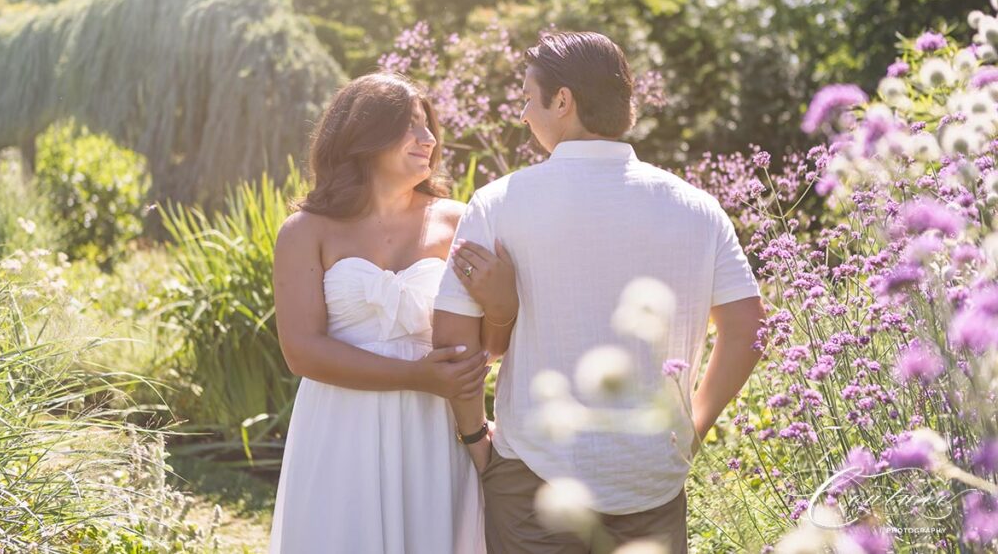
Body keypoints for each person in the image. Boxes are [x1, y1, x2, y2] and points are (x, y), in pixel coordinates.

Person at [433, 31, 767, 553]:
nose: (523, 113)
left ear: (562, 101)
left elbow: (452, 341)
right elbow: (749, 331)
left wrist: (476, 438)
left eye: (527, 96)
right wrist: (693, 428)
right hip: (653, 478)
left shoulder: (498, 203)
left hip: (533, 481)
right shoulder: (699, 208)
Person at [267, 72, 516, 554]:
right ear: (362, 134)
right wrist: (415, 376)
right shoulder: (305, 230)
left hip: (435, 426)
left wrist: (503, 306)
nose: (429, 140)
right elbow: (302, 351)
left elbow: (489, 346)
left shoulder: (461, 221)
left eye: (429, 127)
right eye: (410, 126)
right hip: (340, 425)